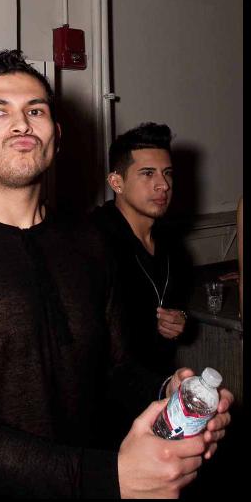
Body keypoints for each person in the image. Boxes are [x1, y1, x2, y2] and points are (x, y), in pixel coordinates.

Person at [0, 50, 233, 499]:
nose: (21, 123)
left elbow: (115, 369)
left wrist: (168, 389)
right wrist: (109, 476)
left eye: (35, 111)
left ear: (57, 136)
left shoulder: (89, 241)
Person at [92, 123, 191, 380]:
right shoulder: (92, 241)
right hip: (106, 392)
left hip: (159, 383)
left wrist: (180, 319)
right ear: (116, 182)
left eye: (167, 173)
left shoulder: (170, 242)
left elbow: (176, 304)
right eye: (148, 174)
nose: (163, 185)